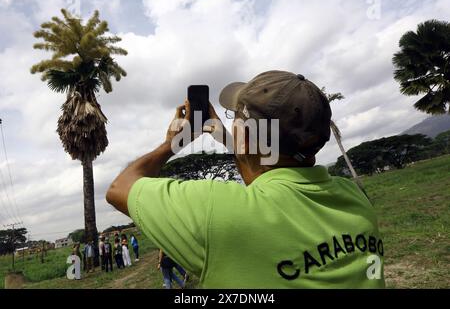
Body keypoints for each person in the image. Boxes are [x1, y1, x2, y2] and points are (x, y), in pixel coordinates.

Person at [106, 71, 385, 288]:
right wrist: (230, 136)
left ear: (248, 137)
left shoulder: (216, 211)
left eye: (235, 117)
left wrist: (173, 143)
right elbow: (268, 175)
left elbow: (120, 188)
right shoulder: (354, 196)